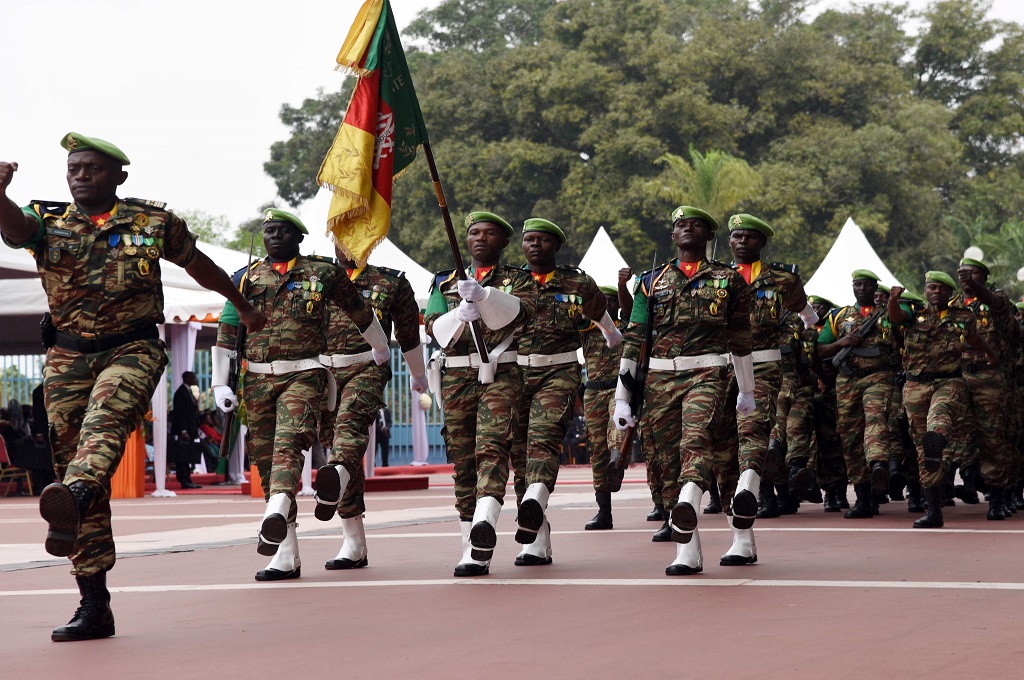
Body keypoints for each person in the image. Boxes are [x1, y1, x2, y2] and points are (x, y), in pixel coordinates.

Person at [0, 133, 266, 641]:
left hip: (133, 348)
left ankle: (75, 492)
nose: (80, 175)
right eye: (74, 168)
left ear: (119, 176)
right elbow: (14, 228)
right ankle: (93, 603)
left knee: (104, 424)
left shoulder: (152, 223)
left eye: (92, 169)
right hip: (66, 358)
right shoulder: (47, 222)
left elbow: (199, 264)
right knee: (76, 468)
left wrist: (243, 305)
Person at [212, 209, 383, 582]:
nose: (274, 236)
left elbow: (360, 312)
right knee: (265, 460)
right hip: (256, 380)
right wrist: (220, 383)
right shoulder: (244, 278)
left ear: (299, 237)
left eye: (282, 231)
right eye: (269, 230)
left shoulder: (322, 273)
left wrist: (380, 348)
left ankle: (274, 511)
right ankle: (285, 553)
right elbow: (227, 331)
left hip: (306, 373)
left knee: (288, 445)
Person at [614, 206, 753, 575]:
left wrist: (747, 389)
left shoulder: (728, 279)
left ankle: (693, 501)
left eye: (696, 225)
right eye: (680, 225)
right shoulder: (651, 282)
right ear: (673, 236)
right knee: (666, 463)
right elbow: (633, 339)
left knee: (696, 441)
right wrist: (621, 398)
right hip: (659, 381)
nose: (687, 229)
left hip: (708, 374)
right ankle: (688, 551)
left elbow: (741, 339)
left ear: (709, 236)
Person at [423, 211, 537, 577]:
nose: (480, 239)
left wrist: (486, 297)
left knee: (492, 445)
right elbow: (433, 329)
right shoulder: (444, 282)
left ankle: (484, 524)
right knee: (462, 458)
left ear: (504, 242)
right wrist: (460, 313)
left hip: (501, 372)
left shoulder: (519, 279)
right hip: (456, 377)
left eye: (489, 234)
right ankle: (469, 542)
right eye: (474, 233)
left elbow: (523, 313)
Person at [508, 218, 618, 566]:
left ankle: (535, 499)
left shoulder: (578, 281)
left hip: (558, 372)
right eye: (528, 240)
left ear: (556, 246)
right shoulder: (509, 283)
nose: (534, 245)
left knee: (543, 441)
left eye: (542, 240)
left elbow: (604, 319)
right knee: (519, 456)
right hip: (514, 376)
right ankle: (536, 539)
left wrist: (614, 339)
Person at [709, 214, 815, 566]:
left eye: (749, 237)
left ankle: (749, 491)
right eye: (736, 236)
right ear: (729, 242)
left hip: (763, 366)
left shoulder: (783, 279)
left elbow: (809, 317)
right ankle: (743, 537)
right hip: (719, 368)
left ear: (761, 243)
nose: (741, 242)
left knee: (752, 433)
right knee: (723, 451)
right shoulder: (714, 278)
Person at [314, 249, 425, 572]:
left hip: (367, 367)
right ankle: (354, 541)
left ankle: (335, 480)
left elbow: (407, 334)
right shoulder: (314, 277)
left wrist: (417, 375)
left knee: (348, 432)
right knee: (336, 448)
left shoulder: (391, 283)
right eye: (340, 235)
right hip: (322, 373)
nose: (346, 244)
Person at [887, 273, 996, 527]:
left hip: (949, 380)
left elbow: (973, 338)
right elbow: (895, 318)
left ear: (950, 292)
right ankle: (933, 510)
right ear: (925, 291)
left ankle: (937, 436)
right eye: (931, 287)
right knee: (926, 452)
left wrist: (989, 353)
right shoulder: (913, 313)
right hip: (915, 385)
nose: (935, 291)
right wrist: (893, 300)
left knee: (940, 413)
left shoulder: (963, 316)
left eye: (941, 288)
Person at [815, 270, 901, 519]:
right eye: (857, 284)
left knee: (875, 420)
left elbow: (900, 325)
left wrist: (893, 301)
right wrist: (839, 344)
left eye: (866, 285)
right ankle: (864, 498)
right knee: (850, 436)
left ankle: (878, 466)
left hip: (879, 376)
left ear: (875, 288)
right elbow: (819, 350)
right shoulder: (839, 316)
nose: (861, 289)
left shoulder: (885, 314)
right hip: (848, 380)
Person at [949, 257, 1019, 518]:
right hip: (958, 378)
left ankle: (998, 499)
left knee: (993, 439)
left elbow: (997, 304)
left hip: (990, 379)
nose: (967, 277)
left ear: (985, 278)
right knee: (957, 436)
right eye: (964, 273)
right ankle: (963, 483)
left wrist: (976, 288)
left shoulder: (996, 301)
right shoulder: (952, 305)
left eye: (974, 273)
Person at [580, 278, 630, 531]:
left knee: (617, 428)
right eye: (604, 300)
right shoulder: (588, 329)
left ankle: (616, 462)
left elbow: (631, 310)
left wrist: (622, 286)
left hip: (618, 388)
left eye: (611, 301)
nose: (607, 305)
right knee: (596, 448)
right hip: (593, 391)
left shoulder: (626, 326)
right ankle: (604, 511)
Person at [170, 371, 203, 489]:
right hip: (184, 431)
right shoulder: (180, 393)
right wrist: (183, 430)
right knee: (182, 455)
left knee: (188, 455)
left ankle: (188, 479)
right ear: (187, 378)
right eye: (193, 377)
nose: (196, 379)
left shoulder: (188, 391)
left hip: (191, 429)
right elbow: (181, 414)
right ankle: (184, 480)